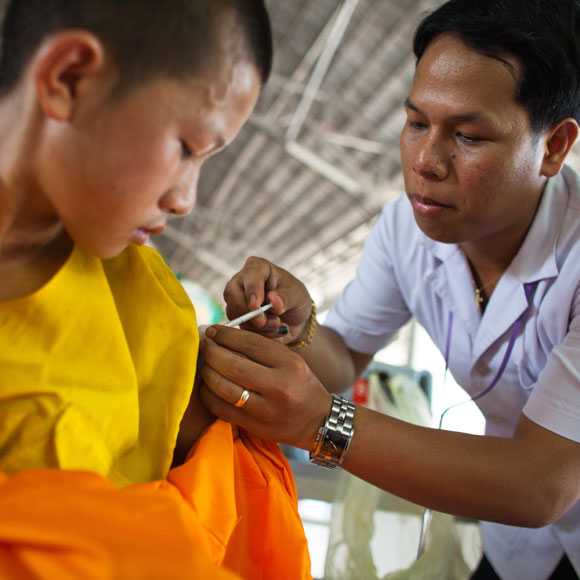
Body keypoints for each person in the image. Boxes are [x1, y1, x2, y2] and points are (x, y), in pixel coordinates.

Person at [200, 1, 580, 579]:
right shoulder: (409, 230)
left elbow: (539, 484)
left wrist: (320, 423)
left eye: (469, 137)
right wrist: (297, 328)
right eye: (417, 123)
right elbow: (344, 356)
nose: (426, 162)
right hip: (518, 547)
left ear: (552, 147)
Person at [0, 1, 311, 578]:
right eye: (188, 148)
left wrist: (256, 355)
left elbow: (195, 449)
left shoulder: (138, 281)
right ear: (68, 79)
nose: (185, 200)